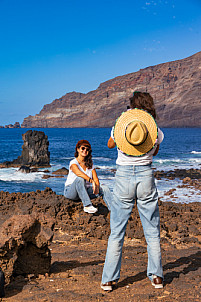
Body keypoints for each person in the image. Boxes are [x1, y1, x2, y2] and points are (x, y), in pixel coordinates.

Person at [101, 91, 164, 291]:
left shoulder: (123, 124)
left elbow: (110, 144)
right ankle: (157, 277)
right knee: (152, 230)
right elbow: (155, 149)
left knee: (117, 231)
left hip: (124, 177)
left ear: (132, 105)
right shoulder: (152, 127)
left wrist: (122, 133)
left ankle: (108, 280)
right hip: (146, 175)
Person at [64, 139, 111, 214]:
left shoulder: (90, 164)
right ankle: (87, 205)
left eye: (87, 149)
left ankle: (113, 210)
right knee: (80, 179)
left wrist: (97, 187)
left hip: (85, 191)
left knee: (105, 188)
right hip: (71, 192)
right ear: (78, 149)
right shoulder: (73, 162)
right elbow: (78, 173)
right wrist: (91, 181)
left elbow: (96, 179)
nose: (85, 150)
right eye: (83, 148)